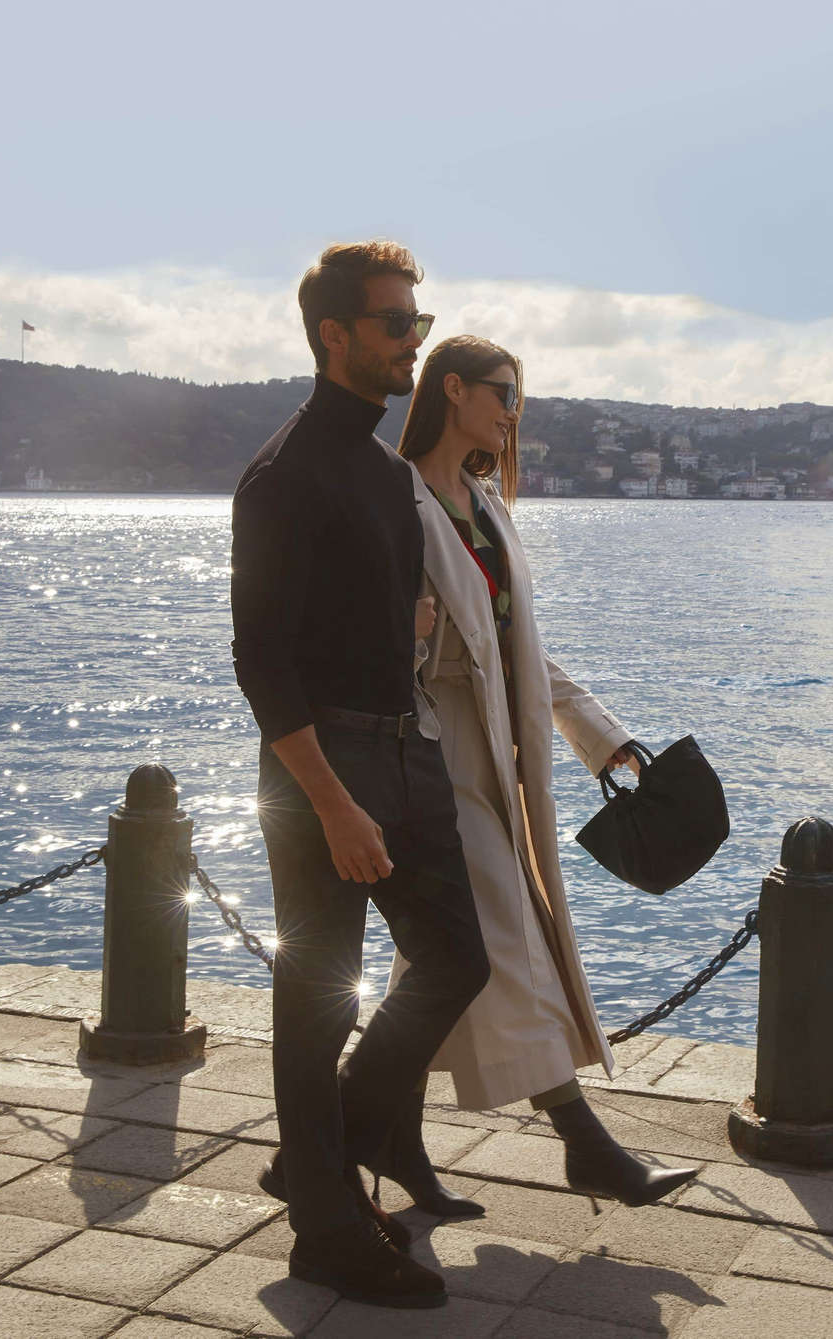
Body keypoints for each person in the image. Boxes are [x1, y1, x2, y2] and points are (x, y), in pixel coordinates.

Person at [378, 334, 698, 1214]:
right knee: (500, 947)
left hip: (498, 766)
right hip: (436, 767)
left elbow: (528, 654)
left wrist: (605, 738)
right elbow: (375, 651)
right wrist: (413, 634)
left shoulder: (484, 506)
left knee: (436, 963)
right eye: (505, 394)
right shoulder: (398, 503)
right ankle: (583, 1142)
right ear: (454, 391)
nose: (514, 413)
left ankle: (365, 1140)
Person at [229, 242, 490, 1310]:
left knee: (456, 960)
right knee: (316, 993)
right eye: (395, 326)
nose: (413, 344)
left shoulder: (388, 475)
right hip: (320, 765)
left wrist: (413, 634)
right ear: (334, 335)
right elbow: (262, 658)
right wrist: (331, 802)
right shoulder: (282, 475)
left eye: (418, 326)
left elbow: (384, 618)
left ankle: (323, 1146)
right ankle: (324, 1229)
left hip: (404, 744)